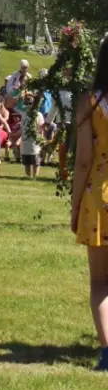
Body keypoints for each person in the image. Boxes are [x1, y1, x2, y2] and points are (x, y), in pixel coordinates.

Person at [72, 35, 108, 371]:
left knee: (100, 282)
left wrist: (74, 205)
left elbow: (83, 160)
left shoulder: (90, 103)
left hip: (99, 197)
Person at [20, 93, 44, 179]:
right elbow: (22, 127)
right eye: (26, 104)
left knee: (35, 159)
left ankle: (35, 177)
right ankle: (27, 176)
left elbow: (41, 128)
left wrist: (41, 140)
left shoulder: (38, 115)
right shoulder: (24, 114)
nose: (28, 106)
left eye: (30, 104)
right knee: (26, 160)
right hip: (25, 139)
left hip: (35, 140)